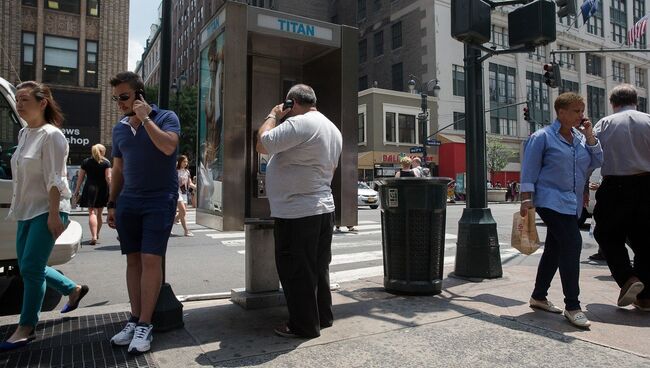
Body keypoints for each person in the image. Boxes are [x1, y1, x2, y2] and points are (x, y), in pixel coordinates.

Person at [1, 81, 89, 351]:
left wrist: (54, 215)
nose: (19, 103)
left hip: (48, 210)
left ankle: (26, 327)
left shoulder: (53, 135)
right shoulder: (25, 133)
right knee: (28, 266)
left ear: (43, 103)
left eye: (25, 99)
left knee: (30, 268)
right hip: (26, 209)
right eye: (17, 99)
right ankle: (72, 289)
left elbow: (55, 180)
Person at [256, 84, 342, 338]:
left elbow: (262, 143)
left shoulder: (301, 123)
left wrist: (273, 115)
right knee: (317, 267)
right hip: (322, 208)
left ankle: (302, 325)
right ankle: (322, 316)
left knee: (296, 271)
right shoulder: (332, 128)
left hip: (297, 212)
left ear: (292, 103)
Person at [106, 72, 181, 353]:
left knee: (151, 259)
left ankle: (145, 326)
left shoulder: (166, 117)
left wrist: (146, 118)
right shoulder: (119, 128)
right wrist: (112, 203)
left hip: (160, 199)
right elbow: (118, 169)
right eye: (116, 99)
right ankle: (134, 319)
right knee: (133, 260)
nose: (120, 103)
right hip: (129, 201)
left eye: (124, 97)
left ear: (139, 93)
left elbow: (168, 146)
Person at [520, 92, 602, 328]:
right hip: (549, 200)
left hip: (572, 203)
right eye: (576, 111)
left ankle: (538, 296)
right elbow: (529, 169)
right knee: (572, 244)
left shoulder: (579, 139)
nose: (581, 115)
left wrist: (590, 137)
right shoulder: (542, 137)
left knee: (555, 248)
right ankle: (573, 306)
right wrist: (526, 199)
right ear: (561, 112)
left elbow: (597, 161)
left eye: (582, 110)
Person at [593, 84, 650, 312]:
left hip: (615, 185)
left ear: (613, 103)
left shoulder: (604, 124)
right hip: (648, 184)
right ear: (636, 101)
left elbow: (591, 155)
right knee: (646, 241)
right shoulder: (648, 120)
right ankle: (645, 298)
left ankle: (627, 278)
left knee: (606, 233)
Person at [74, 144, 111, 245]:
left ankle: (93, 235)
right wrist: (112, 190)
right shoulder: (106, 162)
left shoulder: (86, 162)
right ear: (102, 152)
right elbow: (108, 178)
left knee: (92, 213)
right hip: (103, 189)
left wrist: (76, 190)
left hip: (90, 188)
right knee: (99, 213)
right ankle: (97, 234)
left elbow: (80, 178)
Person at [175, 155, 194, 237]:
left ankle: (173, 221)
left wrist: (197, 188)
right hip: (177, 192)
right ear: (180, 162)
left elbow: (190, 184)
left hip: (184, 193)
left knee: (182, 214)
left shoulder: (187, 172)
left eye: (186, 162)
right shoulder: (175, 171)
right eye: (184, 161)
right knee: (183, 211)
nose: (185, 163)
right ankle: (186, 230)